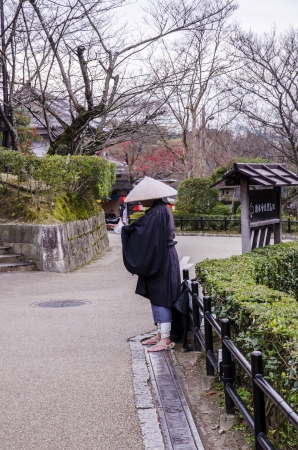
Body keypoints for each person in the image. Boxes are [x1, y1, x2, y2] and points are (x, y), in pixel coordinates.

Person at [121, 177, 181, 352]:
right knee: (157, 295)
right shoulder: (161, 210)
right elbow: (144, 231)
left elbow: (141, 232)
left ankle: (166, 338)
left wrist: (125, 230)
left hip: (161, 259)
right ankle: (161, 334)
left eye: (143, 197)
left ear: (152, 197)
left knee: (162, 296)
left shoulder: (157, 212)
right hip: (162, 257)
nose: (141, 201)